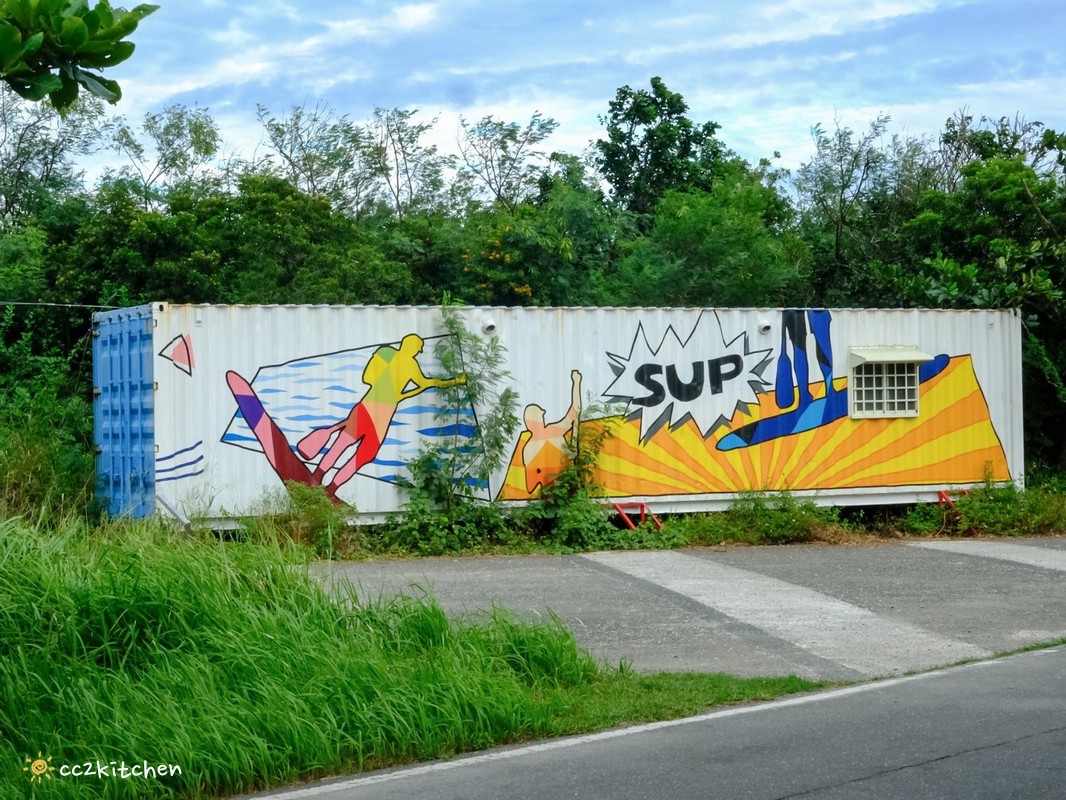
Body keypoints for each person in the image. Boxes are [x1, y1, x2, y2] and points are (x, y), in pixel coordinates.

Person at [297, 334, 465, 498]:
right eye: (418, 349)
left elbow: (368, 378)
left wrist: (389, 388)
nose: (418, 352)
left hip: (368, 408)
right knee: (362, 454)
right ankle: (330, 488)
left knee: (345, 445)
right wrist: (455, 381)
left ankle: (318, 478)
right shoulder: (407, 364)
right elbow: (428, 383)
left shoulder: (387, 353)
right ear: (411, 347)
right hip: (380, 416)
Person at [522, 369, 582, 494]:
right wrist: (576, 383)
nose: (543, 419)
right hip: (563, 490)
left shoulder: (527, 449)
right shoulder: (552, 432)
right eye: (541, 417)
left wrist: (576, 384)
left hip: (554, 492)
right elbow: (574, 411)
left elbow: (531, 486)